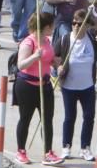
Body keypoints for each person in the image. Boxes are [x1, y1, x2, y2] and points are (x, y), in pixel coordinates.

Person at [55, 10, 97, 162]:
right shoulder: (65, 39)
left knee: (89, 116)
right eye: (74, 23)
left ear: (87, 25)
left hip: (88, 86)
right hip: (69, 87)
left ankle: (85, 147)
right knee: (70, 117)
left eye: (80, 23)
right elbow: (55, 57)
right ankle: (66, 146)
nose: (76, 26)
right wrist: (58, 68)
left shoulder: (92, 39)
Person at [14, 12, 64, 166]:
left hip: (45, 86)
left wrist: (57, 64)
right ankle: (21, 151)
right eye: (52, 25)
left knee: (47, 120)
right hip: (27, 87)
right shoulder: (28, 43)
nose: (53, 28)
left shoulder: (47, 41)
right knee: (25, 118)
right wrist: (35, 56)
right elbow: (21, 65)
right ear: (46, 27)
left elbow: (50, 61)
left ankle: (48, 152)